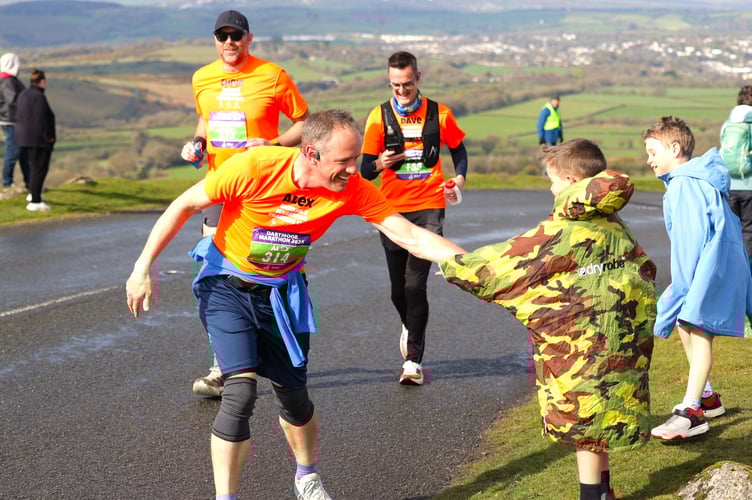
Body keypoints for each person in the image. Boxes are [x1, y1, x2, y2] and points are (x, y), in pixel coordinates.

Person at [125, 109, 466, 500]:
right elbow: (183, 205)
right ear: (311, 154)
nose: (355, 170)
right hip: (227, 286)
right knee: (240, 394)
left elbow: (410, 235)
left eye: (355, 159)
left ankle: (306, 476)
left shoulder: (352, 189)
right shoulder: (255, 167)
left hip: (284, 294)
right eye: (344, 161)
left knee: (294, 398)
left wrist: (473, 264)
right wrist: (142, 267)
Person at [439, 138, 656, 500]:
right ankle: (603, 492)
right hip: (619, 343)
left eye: (553, 180)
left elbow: (496, 269)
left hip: (584, 351)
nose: (550, 187)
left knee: (586, 423)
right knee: (601, 417)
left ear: (572, 182)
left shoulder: (561, 233)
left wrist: (450, 264)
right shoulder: (612, 221)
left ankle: (591, 496)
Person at [180, 9, 310, 397]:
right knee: (215, 274)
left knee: (266, 270)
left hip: (264, 188)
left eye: (236, 35)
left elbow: (304, 122)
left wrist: (272, 144)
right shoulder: (202, 78)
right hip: (220, 189)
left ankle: (282, 351)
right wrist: (198, 143)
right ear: (215, 40)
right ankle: (224, 365)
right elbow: (206, 120)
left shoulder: (272, 75)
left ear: (249, 38)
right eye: (222, 36)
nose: (229, 42)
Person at [360, 50, 468, 385]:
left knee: (414, 284)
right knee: (397, 289)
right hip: (390, 210)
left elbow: (459, 150)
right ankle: (410, 324)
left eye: (407, 84)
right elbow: (364, 170)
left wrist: (459, 178)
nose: (402, 91)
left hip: (430, 206)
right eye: (395, 86)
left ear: (417, 78)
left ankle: (413, 362)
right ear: (389, 82)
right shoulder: (378, 117)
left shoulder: (440, 113)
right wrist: (381, 164)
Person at [643, 116, 752, 441]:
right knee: (686, 324)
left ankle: (692, 412)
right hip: (722, 262)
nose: (648, 160)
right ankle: (707, 396)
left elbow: (690, 242)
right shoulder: (696, 179)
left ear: (675, 148)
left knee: (697, 327)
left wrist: (682, 289)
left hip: (709, 266)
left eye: (652, 152)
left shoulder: (683, 184)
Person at [15, 68, 55, 212]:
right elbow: (43, 118)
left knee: (33, 169)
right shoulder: (39, 97)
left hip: (22, 137)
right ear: (42, 81)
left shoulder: (23, 94)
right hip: (37, 139)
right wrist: (49, 137)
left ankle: (34, 195)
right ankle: (36, 201)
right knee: (39, 169)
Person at [720, 85, 752, 260]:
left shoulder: (728, 124)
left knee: (731, 227)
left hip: (729, 185)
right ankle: (747, 266)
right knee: (749, 228)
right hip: (750, 186)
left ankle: (731, 263)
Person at [0, 52, 30, 192]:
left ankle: (30, 182)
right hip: (11, 121)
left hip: (13, 120)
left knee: (23, 151)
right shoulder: (8, 81)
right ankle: (7, 182)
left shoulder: (8, 80)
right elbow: (13, 100)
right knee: (13, 151)